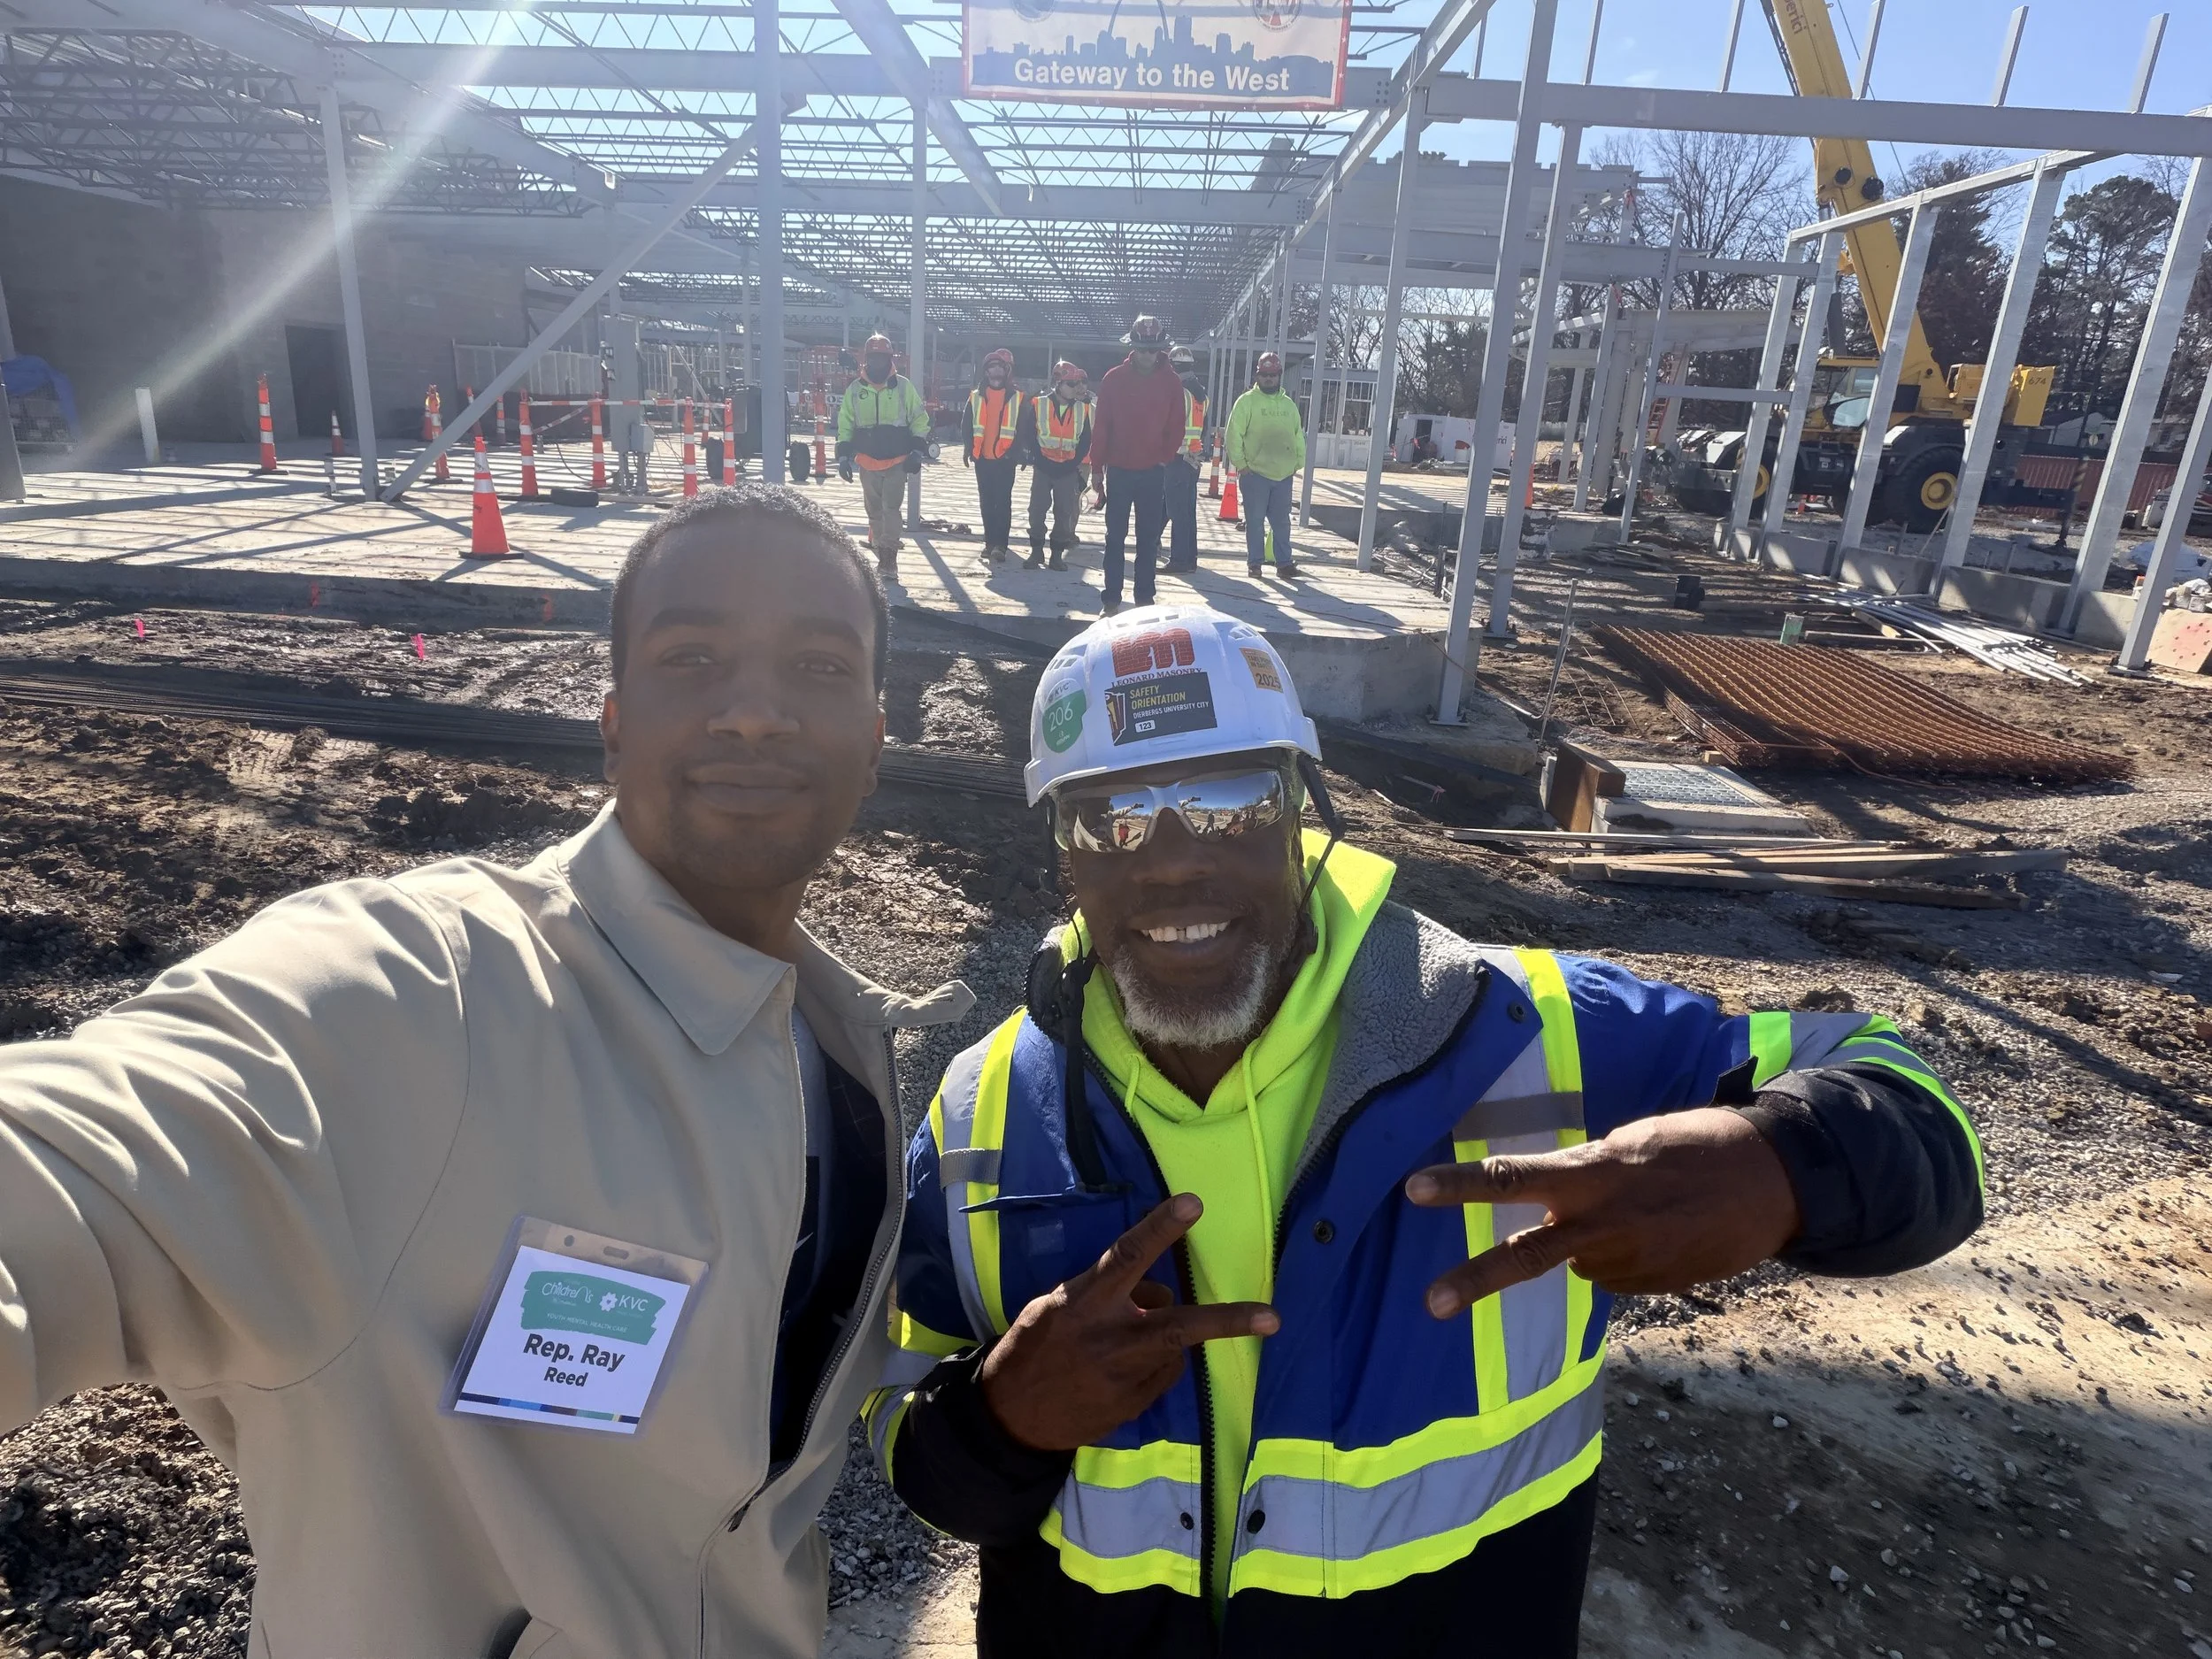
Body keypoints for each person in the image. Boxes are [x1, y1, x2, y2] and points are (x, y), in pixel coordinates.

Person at [863, 603, 1984, 1659]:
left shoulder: (1535, 1037)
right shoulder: (982, 1113)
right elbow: (897, 1427)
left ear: (1304, 811)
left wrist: (1780, 1163)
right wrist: (999, 1420)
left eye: (1226, 803)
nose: (1170, 858)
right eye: (1111, 816)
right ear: (1065, 853)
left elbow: (1896, 1085)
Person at [0, 485, 975, 1659]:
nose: (757, 712)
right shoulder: (421, 994)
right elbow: (75, 1160)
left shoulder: (837, 1049)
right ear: (613, 720)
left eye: (819, 667)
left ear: (876, 737)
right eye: (694, 654)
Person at [1086, 315, 1187, 616]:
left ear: (1160, 350)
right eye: (1141, 349)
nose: (1146, 355)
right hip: (1119, 470)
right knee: (1114, 537)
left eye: (1151, 350)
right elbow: (1101, 426)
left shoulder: (1171, 382)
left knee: (1148, 538)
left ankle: (1144, 600)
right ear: (1133, 347)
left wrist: (1163, 456)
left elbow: (1177, 426)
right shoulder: (1114, 379)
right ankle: (1111, 599)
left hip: (1152, 472)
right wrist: (1096, 469)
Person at [835, 333, 932, 583]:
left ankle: (889, 560)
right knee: (874, 511)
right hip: (867, 461)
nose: (878, 363)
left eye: (882, 358)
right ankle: (880, 551)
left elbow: (919, 419)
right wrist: (843, 456)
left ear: (889, 359)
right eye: (874, 358)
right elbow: (845, 423)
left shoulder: (903, 387)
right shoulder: (855, 390)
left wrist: (917, 450)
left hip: (896, 461)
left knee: (891, 509)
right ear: (867, 359)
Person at [1225, 351, 1307, 580]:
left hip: (1283, 475)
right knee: (1255, 521)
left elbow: (1297, 435)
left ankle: (1284, 563)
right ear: (1257, 376)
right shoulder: (1247, 402)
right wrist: (1241, 465)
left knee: (1282, 521)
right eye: (1265, 375)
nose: (1269, 379)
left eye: (1273, 375)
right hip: (1255, 474)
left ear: (1279, 375)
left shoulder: (1288, 406)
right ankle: (1255, 563)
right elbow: (1234, 435)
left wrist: (1298, 462)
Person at [1018, 360, 1092, 571]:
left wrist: (1073, 464)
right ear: (1058, 383)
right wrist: (1038, 460)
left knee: (1064, 512)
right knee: (1037, 510)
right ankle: (1036, 552)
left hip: (1067, 469)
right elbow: (1029, 435)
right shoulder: (1039, 404)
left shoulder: (1081, 410)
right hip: (1043, 468)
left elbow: (1085, 440)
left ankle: (1057, 556)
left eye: (1078, 383)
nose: (1077, 388)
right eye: (1071, 383)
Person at [965, 348, 1024, 568]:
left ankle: (1001, 545)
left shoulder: (1018, 398)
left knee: (1003, 502)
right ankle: (990, 543)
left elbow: (1024, 429)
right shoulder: (975, 396)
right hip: (983, 459)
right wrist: (968, 449)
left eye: (1000, 367)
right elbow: (966, 425)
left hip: (1005, 460)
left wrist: (1017, 455)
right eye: (992, 367)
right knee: (987, 503)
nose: (996, 372)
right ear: (986, 371)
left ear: (1007, 371)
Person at [1162, 346, 1207, 574]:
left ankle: (1179, 560)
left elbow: (1169, 427)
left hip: (1178, 458)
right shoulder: (1200, 393)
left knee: (1177, 513)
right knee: (1188, 512)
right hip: (1192, 458)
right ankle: (1189, 559)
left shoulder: (1179, 392)